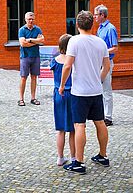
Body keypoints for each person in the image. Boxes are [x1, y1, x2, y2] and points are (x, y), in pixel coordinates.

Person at [59, 11, 110, 174]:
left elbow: (67, 66)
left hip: (79, 92)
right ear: (92, 24)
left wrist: (61, 85)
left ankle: (79, 162)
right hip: (96, 91)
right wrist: (99, 80)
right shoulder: (101, 42)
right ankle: (103, 155)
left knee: (79, 125)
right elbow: (106, 67)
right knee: (100, 122)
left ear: (77, 25)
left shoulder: (74, 41)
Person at [50, 34, 75, 166]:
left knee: (60, 129)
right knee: (73, 129)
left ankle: (60, 157)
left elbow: (53, 72)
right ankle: (74, 157)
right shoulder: (73, 61)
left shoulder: (55, 60)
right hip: (72, 93)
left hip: (58, 94)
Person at [94, 5, 118, 126]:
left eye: (96, 15)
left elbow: (115, 48)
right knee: (100, 89)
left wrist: (103, 51)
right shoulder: (99, 28)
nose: (95, 17)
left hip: (107, 62)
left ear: (102, 15)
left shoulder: (110, 29)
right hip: (99, 62)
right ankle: (102, 114)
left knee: (107, 90)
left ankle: (108, 117)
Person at [18, 12, 45, 106]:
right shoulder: (22, 30)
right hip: (25, 56)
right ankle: (21, 99)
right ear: (25, 19)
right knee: (23, 77)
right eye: (29, 19)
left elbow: (42, 41)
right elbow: (22, 44)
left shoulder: (38, 29)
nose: (31, 20)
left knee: (34, 77)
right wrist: (35, 41)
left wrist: (29, 40)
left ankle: (33, 98)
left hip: (35, 56)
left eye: (32, 19)